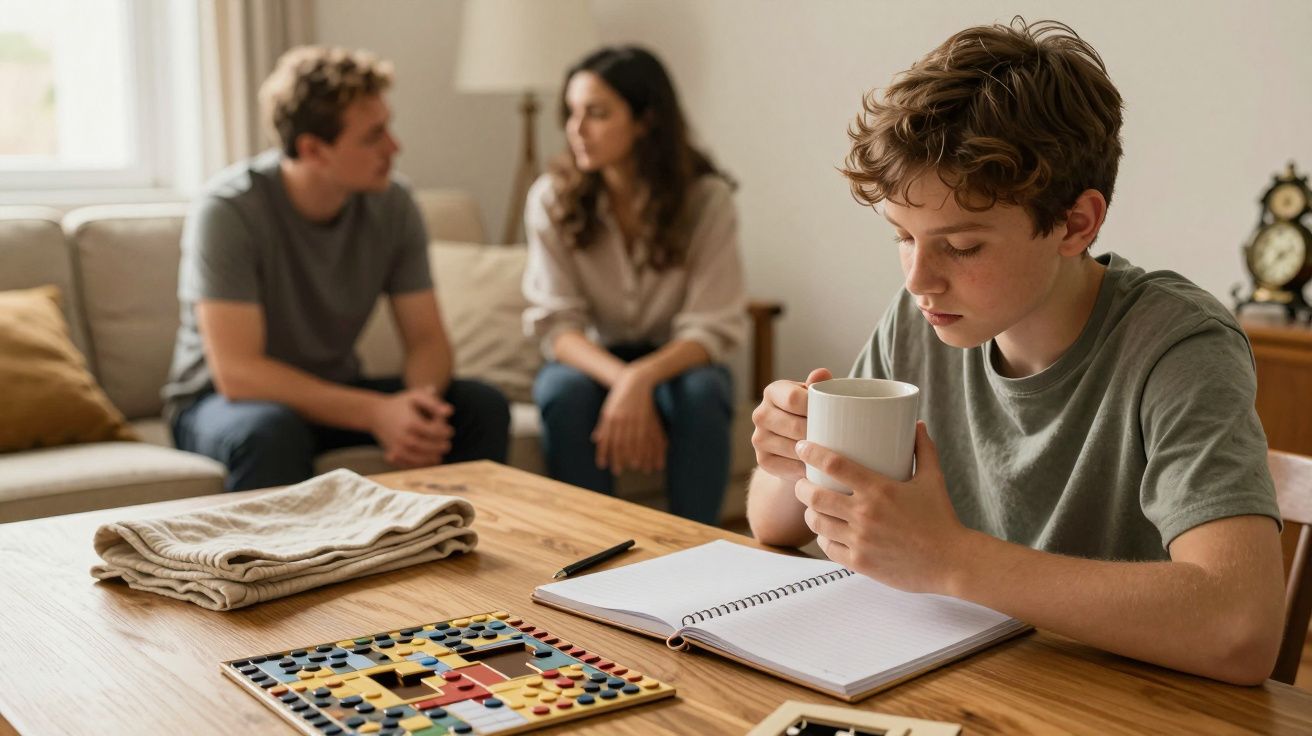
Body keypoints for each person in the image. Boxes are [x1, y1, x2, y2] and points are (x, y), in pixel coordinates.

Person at [746, 19, 1285, 685]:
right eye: (902, 237)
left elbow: (1240, 628)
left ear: (1075, 223)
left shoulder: (1176, 344)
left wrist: (948, 559)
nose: (918, 279)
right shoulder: (924, 320)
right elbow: (771, 523)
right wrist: (789, 453)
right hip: (963, 686)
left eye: (963, 246)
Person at [163, 46, 510, 492]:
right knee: (269, 431)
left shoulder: (393, 204)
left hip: (333, 390)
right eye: (373, 136)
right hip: (221, 403)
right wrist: (375, 412)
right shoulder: (229, 211)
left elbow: (427, 338)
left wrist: (416, 409)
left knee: (481, 405)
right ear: (314, 149)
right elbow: (238, 372)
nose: (394, 146)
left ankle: (459, 550)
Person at [522, 46, 748, 525]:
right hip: (591, 361)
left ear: (645, 120)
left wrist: (642, 377)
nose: (575, 130)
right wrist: (623, 380)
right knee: (563, 392)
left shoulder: (706, 201)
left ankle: (697, 548)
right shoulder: (551, 199)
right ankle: (588, 546)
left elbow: (712, 325)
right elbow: (557, 327)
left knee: (703, 391)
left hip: (675, 362)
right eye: (572, 113)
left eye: (597, 114)